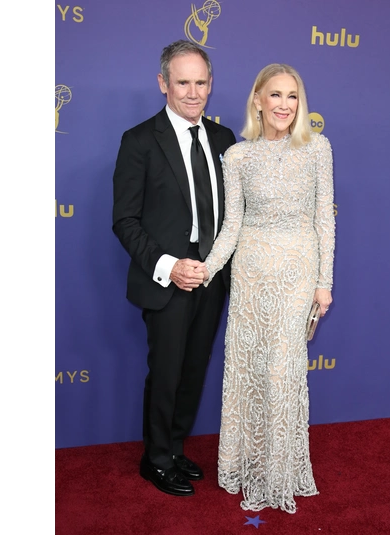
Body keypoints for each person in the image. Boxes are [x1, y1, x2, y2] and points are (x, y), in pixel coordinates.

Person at [200, 63, 335, 514]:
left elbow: (323, 221)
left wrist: (324, 283)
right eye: (275, 95)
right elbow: (232, 226)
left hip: (297, 273)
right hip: (251, 275)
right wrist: (206, 269)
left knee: (282, 370)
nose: (284, 105)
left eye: (292, 96)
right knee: (249, 373)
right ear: (257, 100)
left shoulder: (318, 148)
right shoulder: (238, 157)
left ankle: (281, 472)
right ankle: (250, 464)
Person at [111, 40, 237, 497]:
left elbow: (232, 215)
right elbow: (124, 220)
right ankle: (156, 458)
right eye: (182, 82)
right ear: (163, 83)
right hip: (166, 279)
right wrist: (169, 265)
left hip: (212, 276)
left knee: (194, 368)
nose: (193, 92)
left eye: (201, 82)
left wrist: (214, 267)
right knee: (165, 371)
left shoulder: (225, 140)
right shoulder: (140, 141)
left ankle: (177, 447)